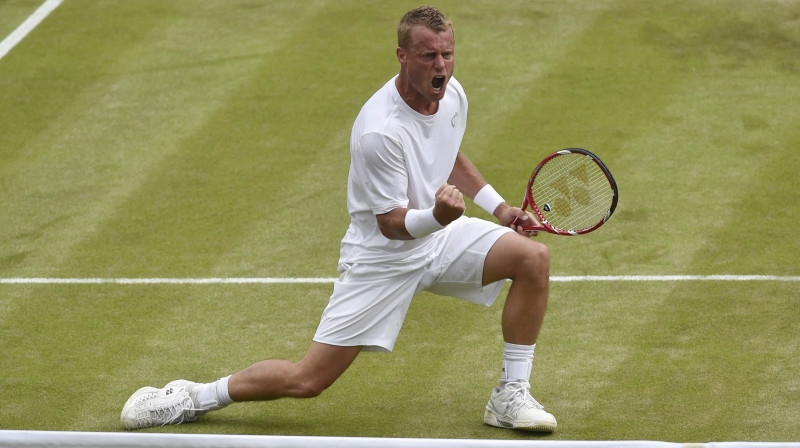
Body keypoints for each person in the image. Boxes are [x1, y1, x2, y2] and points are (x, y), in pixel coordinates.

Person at [120, 5, 557, 433]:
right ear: (403, 56)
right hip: (384, 257)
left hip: (436, 236)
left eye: (447, 54)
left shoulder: (451, 93)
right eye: (428, 56)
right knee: (307, 380)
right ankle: (191, 397)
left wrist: (498, 208)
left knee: (532, 259)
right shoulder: (379, 131)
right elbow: (389, 222)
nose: (441, 65)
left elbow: (447, 149)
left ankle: (509, 395)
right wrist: (439, 216)